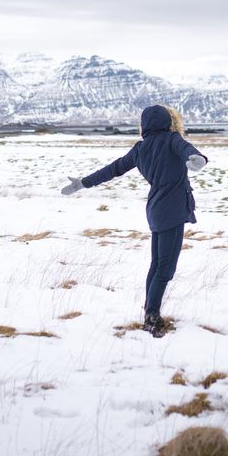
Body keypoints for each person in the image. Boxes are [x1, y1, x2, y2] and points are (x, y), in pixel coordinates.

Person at [60, 105, 208, 337]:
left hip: (155, 210)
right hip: (172, 212)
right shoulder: (172, 140)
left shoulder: (140, 149)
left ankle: (150, 310)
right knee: (165, 268)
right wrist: (198, 158)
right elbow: (187, 148)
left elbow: (114, 169)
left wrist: (83, 183)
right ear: (168, 122)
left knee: (156, 264)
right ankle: (152, 316)